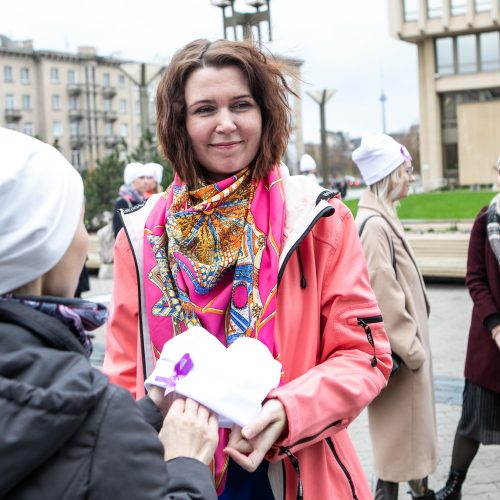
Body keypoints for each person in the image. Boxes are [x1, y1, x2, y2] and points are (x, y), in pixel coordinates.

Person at [103, 38, 392, 499]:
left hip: (294, 468)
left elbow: (364, 355)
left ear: (265, 114)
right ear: (179, 123)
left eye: (241, 105)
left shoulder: (317, 220)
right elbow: (121, 377)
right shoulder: (137, 239)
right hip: (173, 474)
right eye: (203, 110)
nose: (226, 124)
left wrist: (287, 410)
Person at [0, 128, 218, 499]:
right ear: (42, 244)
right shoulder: (96, 414)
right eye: (77, 223)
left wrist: (146, 410)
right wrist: (186, 466)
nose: (84, 241)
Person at [352, 133, 437, 500]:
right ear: (389, 175)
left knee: (401, 453)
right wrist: (414, 349)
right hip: (403, 359)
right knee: (401, 453)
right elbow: (383, 295)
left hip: (404, 358)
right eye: (405, 170)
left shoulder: (380, 218)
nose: (410, 176)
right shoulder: (375, 225)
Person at [435, 158, 500, 500]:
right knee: (472, 421)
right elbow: (475, 278)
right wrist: (495, 325)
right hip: (490, 345)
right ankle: (453, 486)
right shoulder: (487, 219)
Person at [112, 161, 150, 237]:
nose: (146, 181)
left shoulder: (146, 201)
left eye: (147, 178)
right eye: (141, 178)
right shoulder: (122, 202)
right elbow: (119, 233)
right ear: (131, 180)